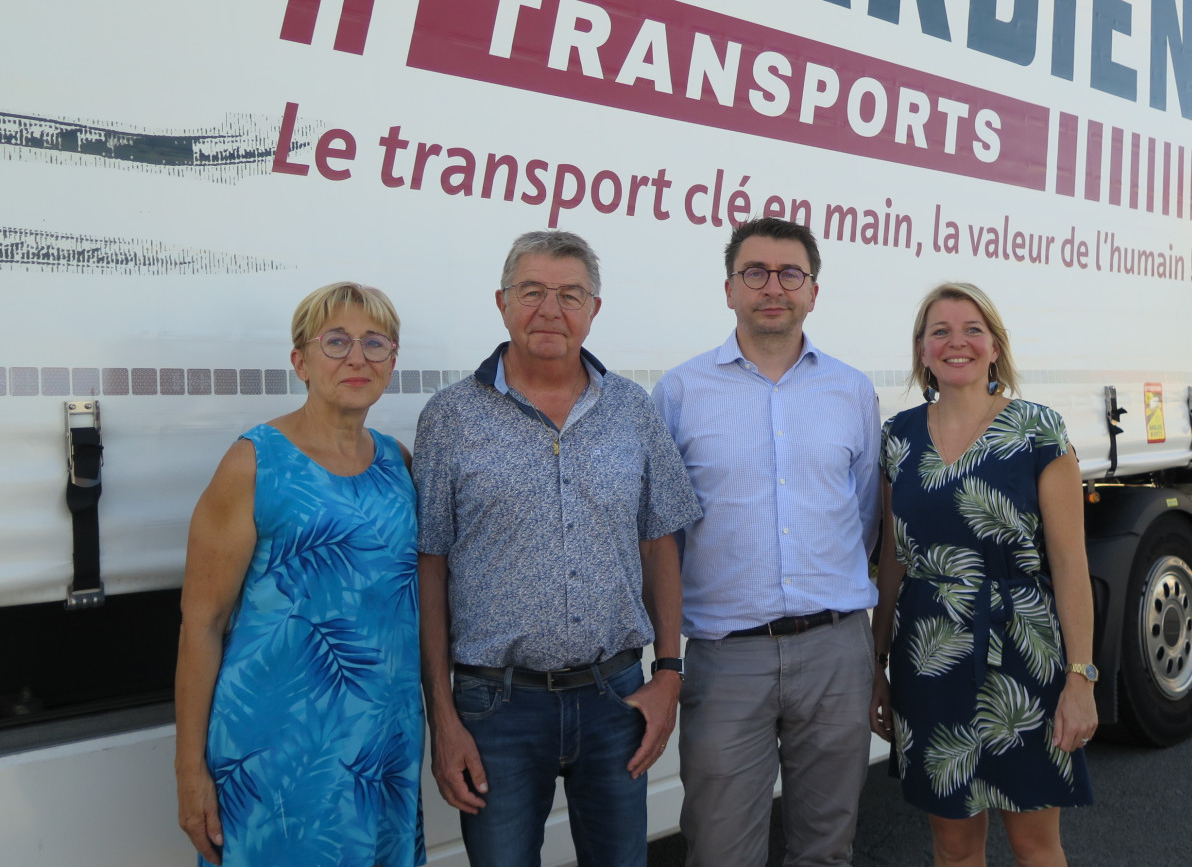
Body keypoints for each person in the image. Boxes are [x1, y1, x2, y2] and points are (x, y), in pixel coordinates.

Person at [414, 229, 700, 867]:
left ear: (594, 310)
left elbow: (661, 544)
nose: (551, 309)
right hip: (496, 709)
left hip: (616, 699)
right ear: (502, 301)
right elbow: (429, 569)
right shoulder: (450, 417)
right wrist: (443, 717)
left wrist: (669, 676)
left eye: (571, 294)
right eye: (532, 291)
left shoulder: (631, 409)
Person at [651, 217, 881, 867]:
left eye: (790, 273)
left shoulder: (851, 391)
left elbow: (861, 515)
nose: (772, 287)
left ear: (813, 290)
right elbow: (662, 531)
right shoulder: (680, 392)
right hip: (727, 658)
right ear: (729, 289)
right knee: (721, 852)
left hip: (836, 650)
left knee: (826, 850)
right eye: (755, 272)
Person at [174, 282, 425, 867]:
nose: (357, 357)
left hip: (380, 751)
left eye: (375, 343)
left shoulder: (398, 464)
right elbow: (201, 623)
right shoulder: (255, 462)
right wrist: (189, 769)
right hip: (277, 750)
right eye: (335, 341)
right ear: (300, 360)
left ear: (392, 362)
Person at [870, 282, 1096, 866]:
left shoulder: (1038, 431)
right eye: (939, 331)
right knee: (952, 846)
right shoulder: (898, 438)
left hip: (1025, 654)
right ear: (921, 351)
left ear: (995, 346)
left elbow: (1070, 564)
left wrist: (1081, 678)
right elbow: (893, 562)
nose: (957, 343)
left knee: (1034, 843)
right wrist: (876, 664)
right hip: (928, 656)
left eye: (972, 329)